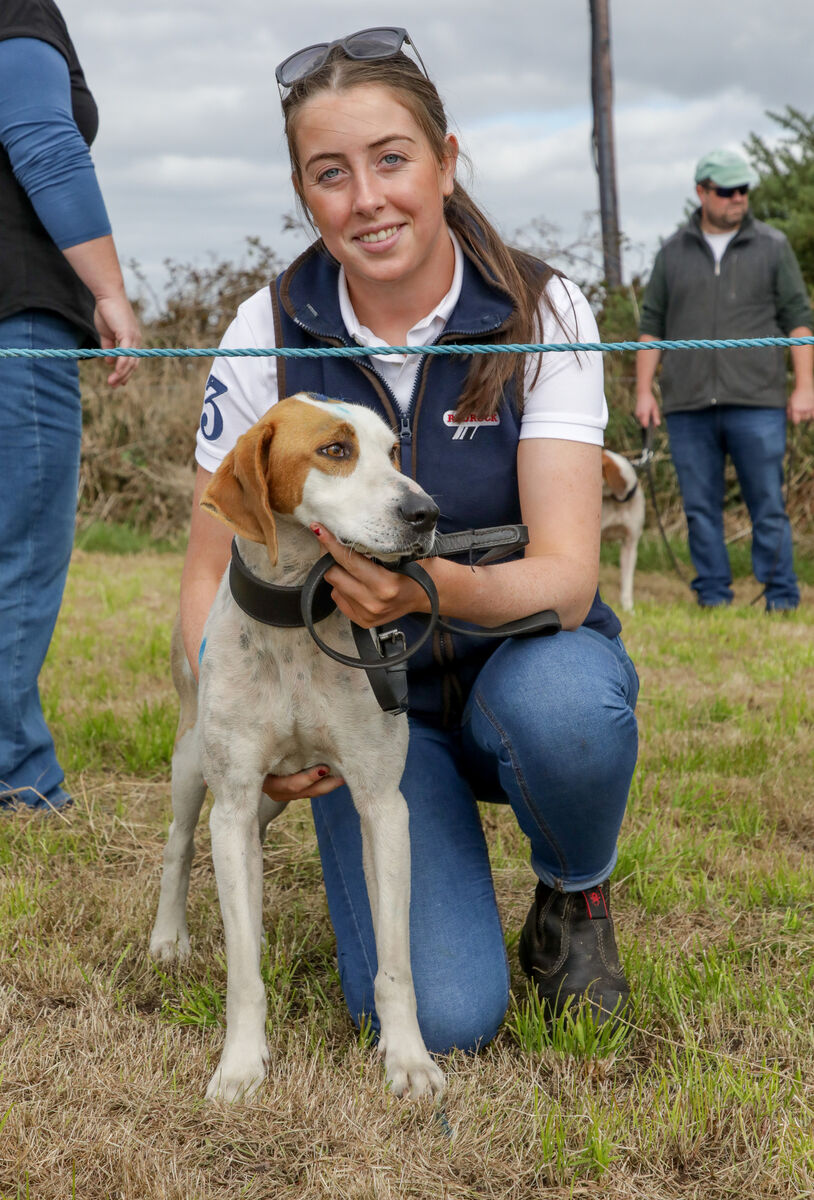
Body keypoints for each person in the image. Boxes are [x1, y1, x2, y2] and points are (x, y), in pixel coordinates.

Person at [183, 28, 639, 1053]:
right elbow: (209, 565)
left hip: (519, 664)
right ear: (305, 195)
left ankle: (575, 895)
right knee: (446, 1018)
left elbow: (567, 583)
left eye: (392, 159)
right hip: (367, 704)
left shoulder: (542, 306)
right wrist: (236, 726)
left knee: (570, 708)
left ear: (445, 159)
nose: (367, 198)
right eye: (330, 174)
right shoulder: (264, 325)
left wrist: (419, 590)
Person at [0, 0, 141, 811]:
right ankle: (18, 778)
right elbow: (45, 144)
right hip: (15, 317)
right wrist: (109, 291)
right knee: (17, 557)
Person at [636, 147, 814, 611]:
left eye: (744, 190)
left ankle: (782, 598)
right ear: (702, 192)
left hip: (758, 402)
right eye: (727, 190)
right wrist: (643, 393)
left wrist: (804, 386)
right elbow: (652, 324)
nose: (738, 198)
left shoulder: (773, 246)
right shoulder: (672, 251)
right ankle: (713, 596)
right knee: (699, 509)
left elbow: (798, 320)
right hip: (687, 403)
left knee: (767, 507)